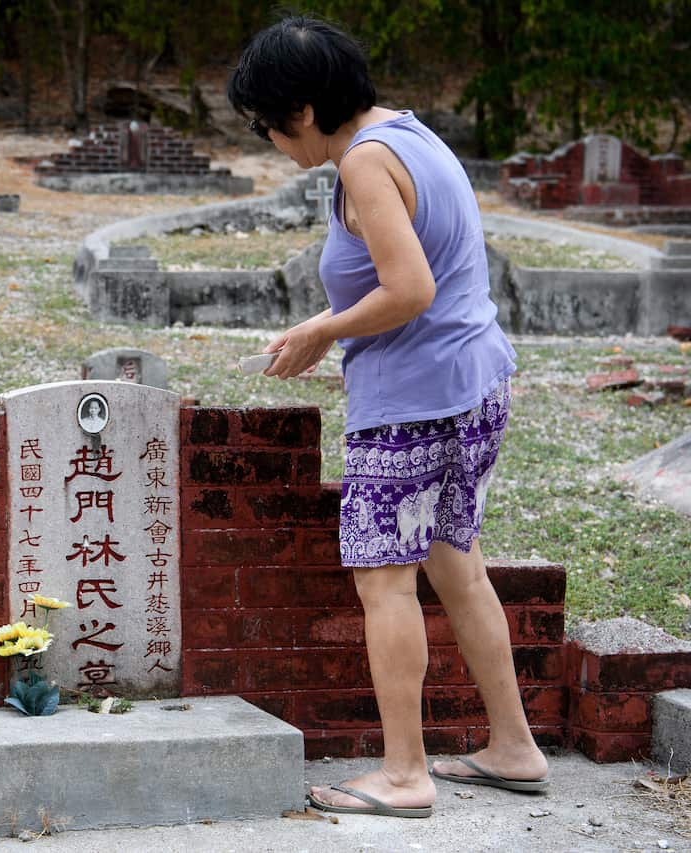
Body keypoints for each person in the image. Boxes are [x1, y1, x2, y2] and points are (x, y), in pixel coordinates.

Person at [227, 15, 548, 818]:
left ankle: (405, 774)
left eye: (266, 124)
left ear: (300, 110)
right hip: (474, 383)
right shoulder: (409, 136)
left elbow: (410, 290)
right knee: (456, 564)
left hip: (415, 405)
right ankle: (513, 745)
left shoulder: (365, 164)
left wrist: (320, 330)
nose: (272, 140)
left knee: (386, 583)